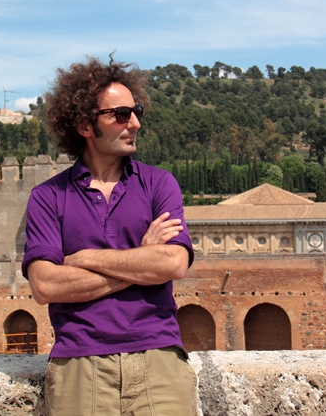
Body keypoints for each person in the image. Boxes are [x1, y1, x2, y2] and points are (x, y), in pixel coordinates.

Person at [22, 55, 198, 415]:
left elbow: (173, 264)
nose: (134, 123)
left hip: (159, 357)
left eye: (136, 112)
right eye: (120, 114)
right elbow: (45, 286)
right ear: (85, 125)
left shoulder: (159, 184)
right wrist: (141, 259)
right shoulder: (48, 197)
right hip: (78, 363)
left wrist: (85, 259)